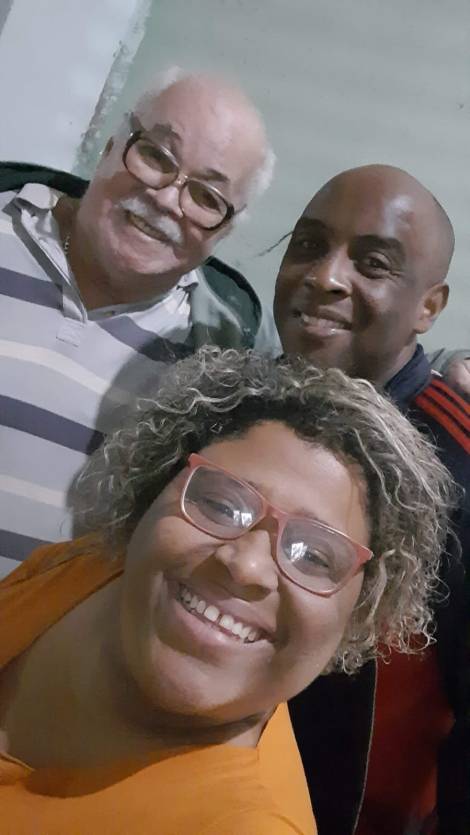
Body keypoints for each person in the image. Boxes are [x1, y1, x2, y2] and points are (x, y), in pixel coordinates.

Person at [0, 347, 454, 835]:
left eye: (314, 556)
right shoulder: (82, 569)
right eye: (219, 504)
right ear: (148, 497)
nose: (246, 565)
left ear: (360, 616)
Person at [0, 69, 278, 569]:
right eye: (156, 156)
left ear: (226, 231)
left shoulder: (219, 357)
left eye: (206, 197)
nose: (167, 199)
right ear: (112, 144)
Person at [273, 164, 470, 835]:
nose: (324, 276)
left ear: (428, 307)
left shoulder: (457, 470)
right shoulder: (227, 412)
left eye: (373, 263)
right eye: (308, 245)